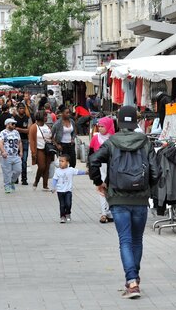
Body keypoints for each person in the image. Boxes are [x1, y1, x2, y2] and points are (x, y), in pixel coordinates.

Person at [89, 106, 160, 299]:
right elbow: (156, 171)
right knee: (137, 240)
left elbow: (93, 160)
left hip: (118, 198)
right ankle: (133, 279)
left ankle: (132, 281)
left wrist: (99, 183)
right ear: (136, 122)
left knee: (125, 241)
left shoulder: (111, 142)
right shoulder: (145, 142)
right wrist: (147, 188)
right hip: (140, 198)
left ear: (118, 122)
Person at [88, 117, 115, 223]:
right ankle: (104, 213)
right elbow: (91, 154)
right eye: (99, 126)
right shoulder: (95, 138)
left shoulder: (113, 139)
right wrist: (90, 168)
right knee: (102, 189)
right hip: (99, 168)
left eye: (102, 126)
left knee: (110, 189)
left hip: (111, 167)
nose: (100, 128)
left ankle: (110, 212)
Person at [52, 154, 86, 223]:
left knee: (68, 204)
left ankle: (68, 213)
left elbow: (78, 172)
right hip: (60, 191)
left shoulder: (71, 170)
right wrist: (53, 187)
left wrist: (86, 172)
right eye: (60, 161)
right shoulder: (57, 171)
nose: (60, 163)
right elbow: (54, 179)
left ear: (67, 162)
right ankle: (62, 216)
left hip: (68, 191)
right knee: (62, 204)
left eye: (62, 161)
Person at [29, 111, 53, 191]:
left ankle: (45, 185)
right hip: (39, 149)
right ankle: (36, 181)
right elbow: (32, 140)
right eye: (45, 116)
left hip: (48, 149)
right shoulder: (34, 127)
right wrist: (33, 152)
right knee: (42, 166)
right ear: (40, 117)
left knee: (47, 167)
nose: (46, 118)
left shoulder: (47, 127)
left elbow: (51, 137)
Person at [0, 118, 23, 194]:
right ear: (7, 124)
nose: (14, 125)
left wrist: (21, 151)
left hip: (15, 155)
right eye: (12, 124)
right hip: (6, 156)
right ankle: (7, 186)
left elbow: (19, 142)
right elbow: (0, 143)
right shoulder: (2, 133)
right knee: (6, 172)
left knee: (18, 170)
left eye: (14, 124)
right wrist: (3, 152)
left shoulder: (16, 132)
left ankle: (12, 181)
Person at [13, 103, 31, 185]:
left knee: (24, 160)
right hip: (15, 142)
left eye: (23, 108)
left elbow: (28, 130)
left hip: (25, 141)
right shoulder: (14, 118)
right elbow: (12, 128)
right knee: (16, 160)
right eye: (20, 108)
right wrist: (22, 129)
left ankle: (24, 179)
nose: (22, 110)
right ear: (17, 109)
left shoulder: (27, 118)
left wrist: (18, 129)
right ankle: (15, 178)